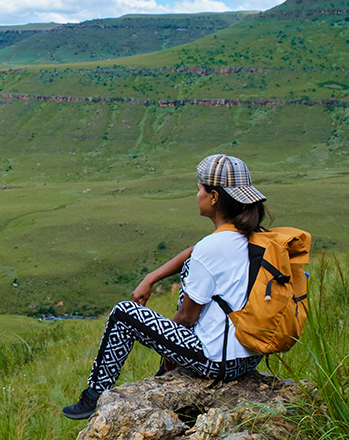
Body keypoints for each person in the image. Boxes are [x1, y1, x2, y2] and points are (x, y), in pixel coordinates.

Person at [62, 154, 268, 420]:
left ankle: (94, 395)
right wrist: (152, 277)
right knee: (189, 269)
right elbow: (196, 252)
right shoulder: (257, 236)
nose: (197, 195)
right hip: (249, 357)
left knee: (124, 314)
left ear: (214, 197)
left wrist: (170, 358)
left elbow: (185, 318)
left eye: (199, 189)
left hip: (218, 362)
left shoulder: (212, 247)